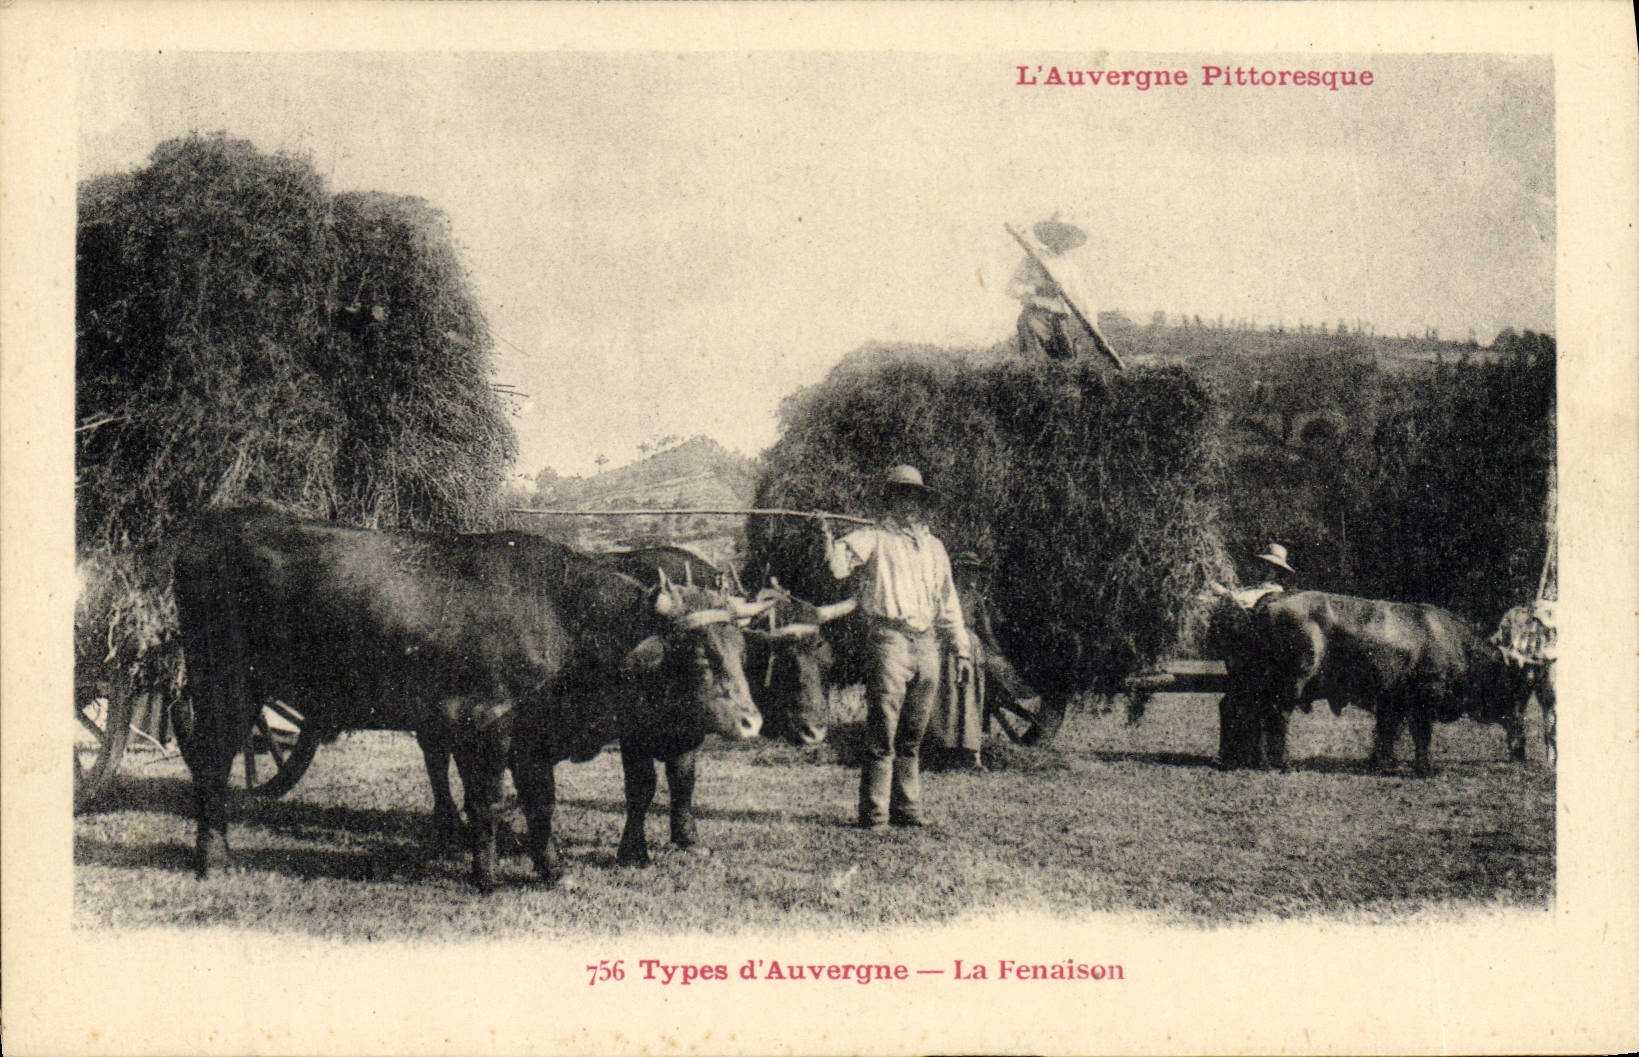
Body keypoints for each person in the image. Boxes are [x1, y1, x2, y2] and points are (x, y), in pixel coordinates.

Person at [822, 465, 974, 829]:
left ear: (923, 504)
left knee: (913, 734)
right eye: (901, 496)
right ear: (890, 501)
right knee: (883, 733)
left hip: (927, 645)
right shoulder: (873, 538)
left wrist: (962, 650)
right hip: (889, 641)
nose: (909, 505)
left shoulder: (935, 548)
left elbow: (948, 603)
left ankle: (908, 810)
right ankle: (875, 814)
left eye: (915, 498)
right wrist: (827, 535)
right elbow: (839, 568)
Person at [1007, 217, 1087, 361]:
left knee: (1067, 365)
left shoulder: (1072, 268)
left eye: (1066, 235)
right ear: (1050, 235)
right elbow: (1011, 289)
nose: (1061, 239)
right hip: (1034, 318)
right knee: (1033, 366)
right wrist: (1039, 288)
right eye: (1057, 233)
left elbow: (1082, 302)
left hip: (1061, 322)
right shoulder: (1033, 258)